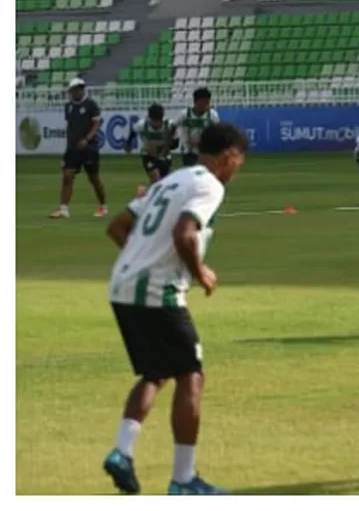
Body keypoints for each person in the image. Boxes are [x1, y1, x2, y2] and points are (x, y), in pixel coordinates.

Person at [101, 123, 248, 495]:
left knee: (156, 372)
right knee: (191, 376)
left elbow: (117, 227)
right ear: (229, 155)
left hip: (122, 285)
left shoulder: (169, 180)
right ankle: (183, 480)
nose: (237, 169)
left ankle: (122, 451)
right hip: (157, 291)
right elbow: (184, 234)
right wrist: (200, 273)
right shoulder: (210, 185)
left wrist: (142, 258)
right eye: (239, 162)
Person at [50, 77, 108, 219]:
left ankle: (103, 206)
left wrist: (87, 139)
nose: (73, 93)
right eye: (72, 91)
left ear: (82, 90)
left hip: (89, 148)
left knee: (94, 179)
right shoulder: (68, 106)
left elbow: (97, 124)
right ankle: (64, 209)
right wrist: (69, 143)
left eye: (76, 90)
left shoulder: (91, 105)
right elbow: (70, 125)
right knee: (67, 175)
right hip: (73, 148)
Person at [126, 103, 176, 186]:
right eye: (154, 121)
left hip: (164, 155)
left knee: (165, 181)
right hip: (148, 155)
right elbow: (133, 132)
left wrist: (164, 147)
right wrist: (128, 144)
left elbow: (175, 143)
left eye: (158, 121)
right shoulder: (142, 125)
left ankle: (145, 192)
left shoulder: (169, 125)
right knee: (155, 178)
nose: (156, 124)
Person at [175, 88, 221, 168]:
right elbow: (173, 127)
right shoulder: (185, 114)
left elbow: (217, 133)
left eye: (208, 102)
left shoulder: (212, 115)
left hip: (205, 151)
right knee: (191, 172)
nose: (207, 105)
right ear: (197, 102)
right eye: (205, 102)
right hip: (188, 151)